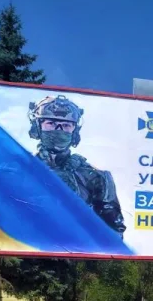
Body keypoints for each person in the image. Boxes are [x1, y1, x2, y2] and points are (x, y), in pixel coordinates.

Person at [28, 95, 126, 236]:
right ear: (37, 127)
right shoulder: (16, 171)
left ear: (74, 130)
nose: (59, 130)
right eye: (51, 123)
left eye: (66, 125)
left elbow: (113, 234)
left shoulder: (96, 177)